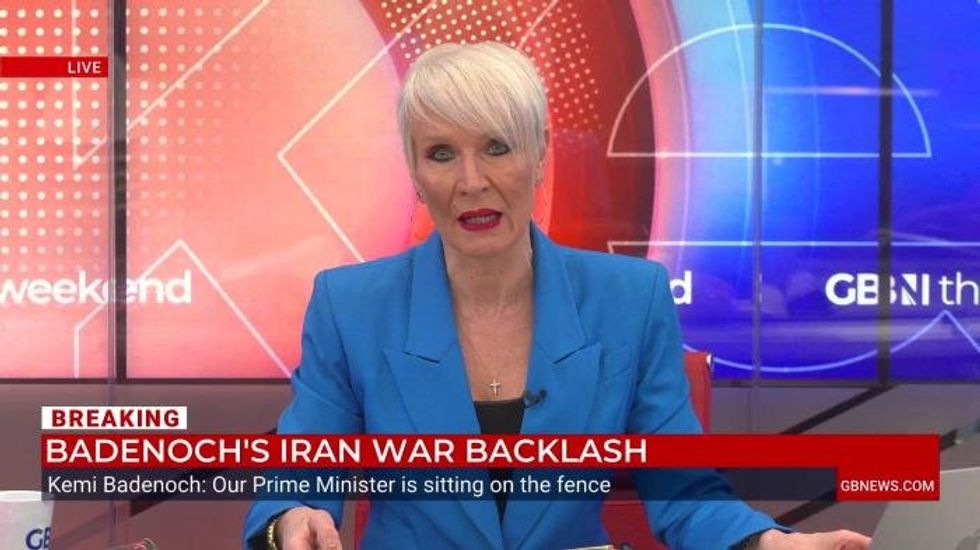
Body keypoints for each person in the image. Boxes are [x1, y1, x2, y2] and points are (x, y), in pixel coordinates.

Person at [243, 42, 871, 550]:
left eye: (497, 147)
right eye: (441, 154)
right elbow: (299, 476)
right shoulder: (350, 307)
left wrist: (767, 543)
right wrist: (291, 520)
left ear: (540, 152)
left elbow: (684, 492)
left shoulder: (630, 300)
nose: (471, 181)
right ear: (414, 169)